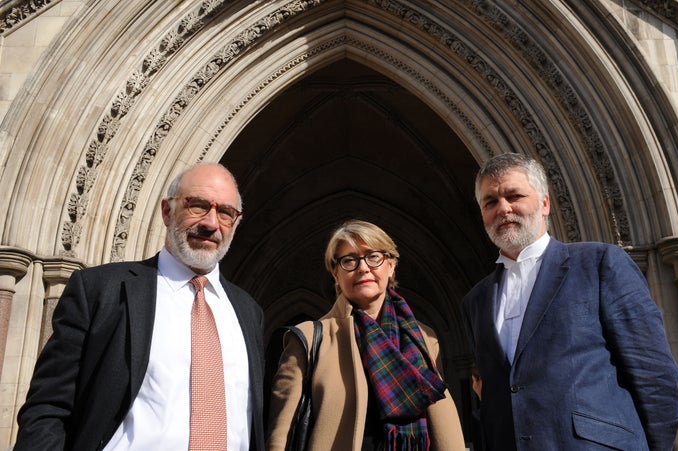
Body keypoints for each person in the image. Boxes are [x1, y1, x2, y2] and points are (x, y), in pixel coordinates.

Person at [15, 163, 265, 451]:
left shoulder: (249, 312)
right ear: (167, 211)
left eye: (225, 213)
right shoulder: (100, 290)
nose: (211, 223)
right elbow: (48, 409)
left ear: (236, 223)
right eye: (197, 206)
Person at [462, 153, 678, 451]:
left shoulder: (599, 263)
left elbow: (653, 374)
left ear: (545, 203)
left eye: (515, 196)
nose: (503, 209)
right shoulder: (477, 299)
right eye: (490, 202)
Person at [266, 220, 465, 451]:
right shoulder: (308, 339)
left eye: (373, 257)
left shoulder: (424, 338)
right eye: (349, 260)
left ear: (390, 266)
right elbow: (281, 435)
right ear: (336, 274)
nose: (362, 268)